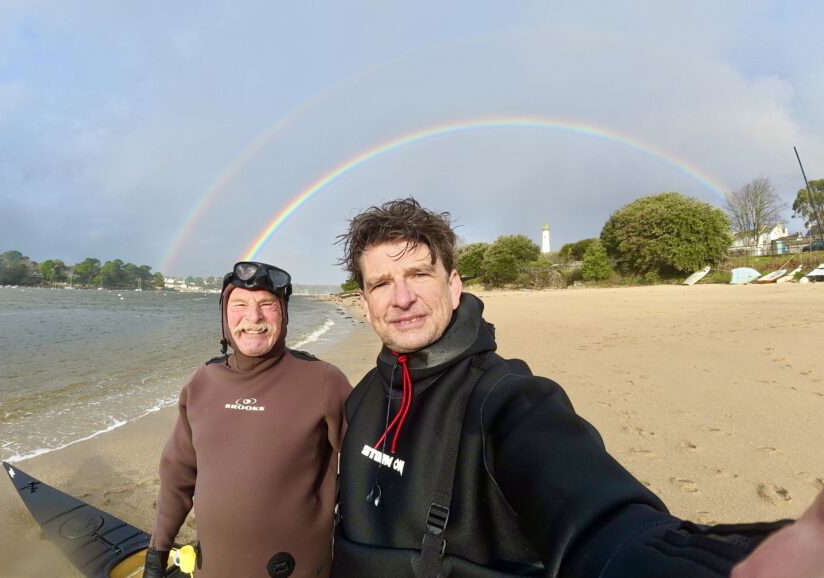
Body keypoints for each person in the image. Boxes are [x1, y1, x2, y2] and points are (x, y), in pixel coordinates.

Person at [330, 197, 824, 578]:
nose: (402, 297)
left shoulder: (509, 401)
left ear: (454, 286)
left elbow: (601, 522)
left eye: (419, 274)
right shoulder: (361, 396)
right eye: (381, 283)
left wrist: (707, 562)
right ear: (365, 302)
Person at [143, 261, 351, 578]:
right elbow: (177, 476)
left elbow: (370, 468)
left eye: (267, 304)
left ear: (284, 313)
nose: (253, 318)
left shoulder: (323, 381)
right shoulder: (202, 382)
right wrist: (157, 552)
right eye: (239, 304)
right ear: (224, 316)